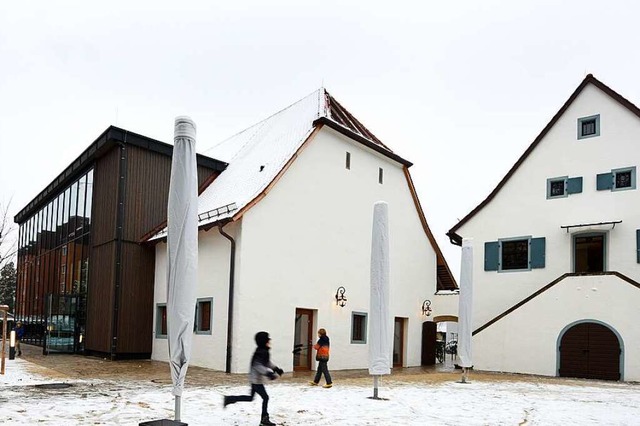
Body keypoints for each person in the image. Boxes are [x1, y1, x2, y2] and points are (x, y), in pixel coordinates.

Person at [224, 331, 283, 426]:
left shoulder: (263, 350)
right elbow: (258, 366)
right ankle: (264, 420)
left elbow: (266, 362)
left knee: (250, 398)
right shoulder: (261, 352)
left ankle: (229, 399)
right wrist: (268, 373)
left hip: (255, 379)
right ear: (264, 341)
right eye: (268, 340)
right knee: (265, 397)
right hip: (256, 380)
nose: (269, 341)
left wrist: (276, 369)